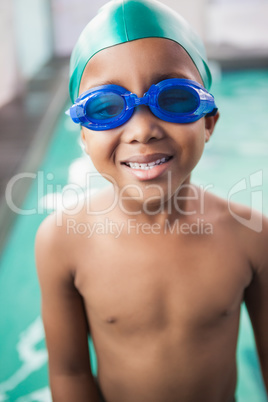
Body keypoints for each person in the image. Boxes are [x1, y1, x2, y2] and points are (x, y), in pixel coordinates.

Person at [35, 0, 268, 401]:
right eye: (106, 107)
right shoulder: (61, 241)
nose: (142, 130)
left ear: (208, 121)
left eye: (175, 99)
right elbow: (70, 372)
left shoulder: (252, 237)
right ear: (84, 135)